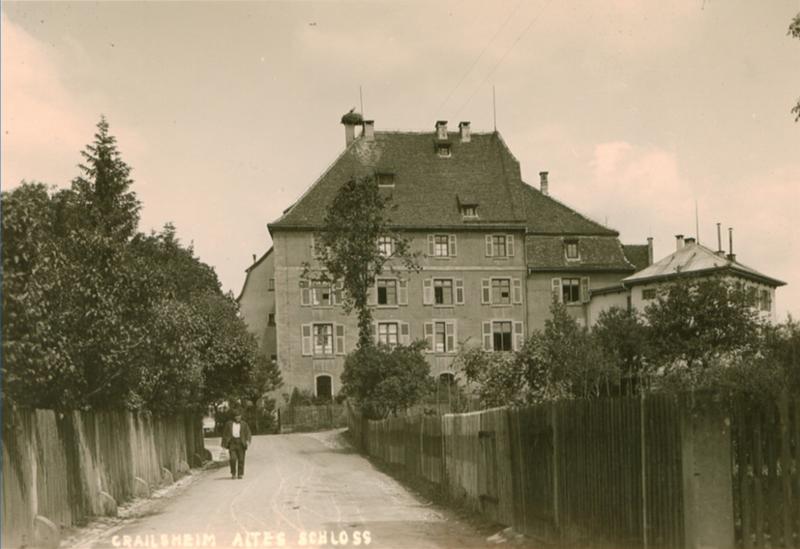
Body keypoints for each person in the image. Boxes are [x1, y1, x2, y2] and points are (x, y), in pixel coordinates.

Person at [221, 410, 252, 479]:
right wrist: (223, 445)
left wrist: (248, 441)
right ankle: (233, 473)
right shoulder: (229, 424)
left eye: (239, 416)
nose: (238, 417)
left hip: (241, 443)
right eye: (236, 416)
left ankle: (240, 474)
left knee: (241, 459)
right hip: (232, 443)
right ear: (234, 417)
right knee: (233, 459)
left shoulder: (244, 424)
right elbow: (225, 434)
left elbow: (248, 433)